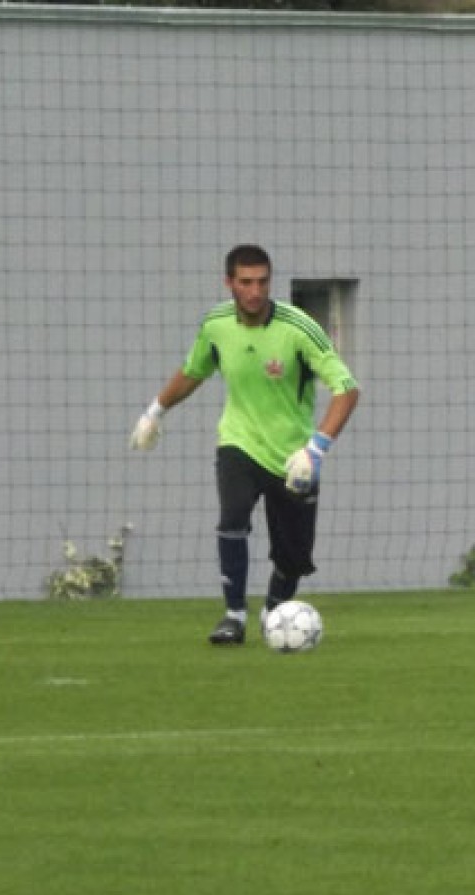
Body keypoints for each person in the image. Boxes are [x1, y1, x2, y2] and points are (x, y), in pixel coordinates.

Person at [130, 244, 360, 645]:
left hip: (294, 456)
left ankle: (275, 612)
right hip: (239, 443)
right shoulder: (216, 325)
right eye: (246, 282)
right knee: (232, 518)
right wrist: (154, 412)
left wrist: (315, 449)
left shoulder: (299, 328)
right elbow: (193, 371)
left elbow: (347, 390)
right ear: (229, 283)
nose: (255, 291)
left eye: (262, 282)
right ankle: (233, 616)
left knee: (294, 557)